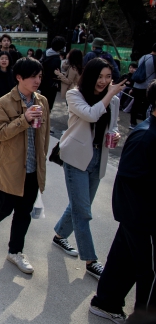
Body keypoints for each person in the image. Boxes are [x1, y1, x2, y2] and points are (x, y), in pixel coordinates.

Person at [88, 81, 156, 323]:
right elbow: (131, 182)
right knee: (151, 273)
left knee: (123, 261)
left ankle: (106, 303)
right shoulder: (146, 137)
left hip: (137, 217)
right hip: (143, 218)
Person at [52, 58, 124, 281]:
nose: (104, 82)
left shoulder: (113, 101)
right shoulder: (75, 95)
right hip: (75, 157)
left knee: (80, 204)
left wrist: (116, 135)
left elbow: (111, 127)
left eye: (108, 77)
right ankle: (91, 260)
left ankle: (60, 234)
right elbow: (91, 114)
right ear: (90, 75)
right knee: (83, 211)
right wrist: (109, 95)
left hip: (98, 157)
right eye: (100, 76)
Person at [0, 57, 50, 275]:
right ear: (19, 77)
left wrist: (42, 159)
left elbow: (45, 135)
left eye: (39, 76)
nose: (37, 80)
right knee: (5, 208)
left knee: (24, 211)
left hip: (32, 167)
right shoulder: (4, 103)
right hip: (11, 166)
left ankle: (15, 251)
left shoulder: (42, 101)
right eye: (32, 76)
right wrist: (24, 119)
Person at [129, 43, 156, 129]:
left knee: (135, 104)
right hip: (147, 86)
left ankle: (132, 123)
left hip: (137, 84)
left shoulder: (143, 57)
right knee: (146, 106)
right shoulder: (154, 59)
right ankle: (145, 123)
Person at [40, 36, 67, 110]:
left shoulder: (45, 52)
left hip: (42, 81)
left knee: (41, 102)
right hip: (51, 85)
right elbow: (56, 73)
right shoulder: (56, 59)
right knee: (48, 105)